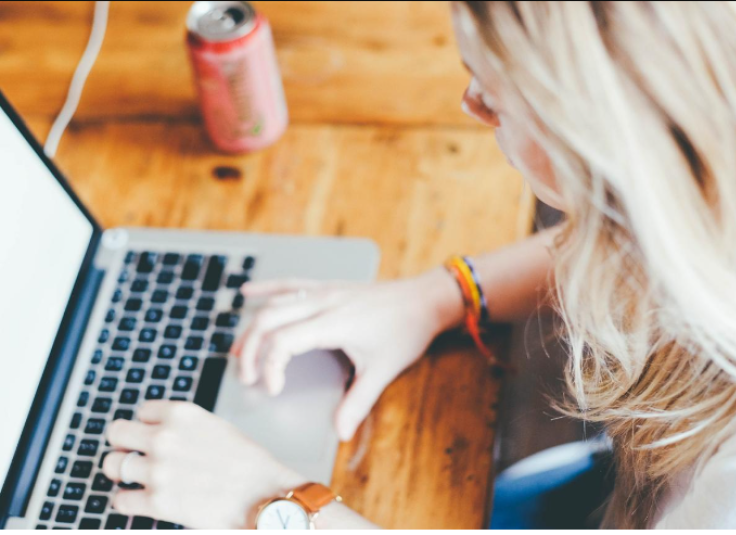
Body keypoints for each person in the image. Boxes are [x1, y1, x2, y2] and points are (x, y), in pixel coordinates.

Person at [102, 1, 736, 528]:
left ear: (596, 145)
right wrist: (443, 296)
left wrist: (268, 503)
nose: (470, 106)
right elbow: (640, 235)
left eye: (493, 98)